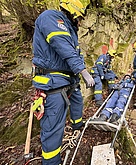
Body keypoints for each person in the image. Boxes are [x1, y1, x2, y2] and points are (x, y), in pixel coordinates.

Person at [31, 0, 95, 164]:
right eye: (79, 17)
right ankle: (52, 161)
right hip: (53, 81)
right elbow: (62, 47)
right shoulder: (51, 18)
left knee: (77, 100)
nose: (79, 21)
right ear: (72, 12)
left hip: (67, 79)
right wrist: (84, 72)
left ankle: (77, 124)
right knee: (54, 127)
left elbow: (74, 53)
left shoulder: (69, 29)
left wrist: (78, 74)